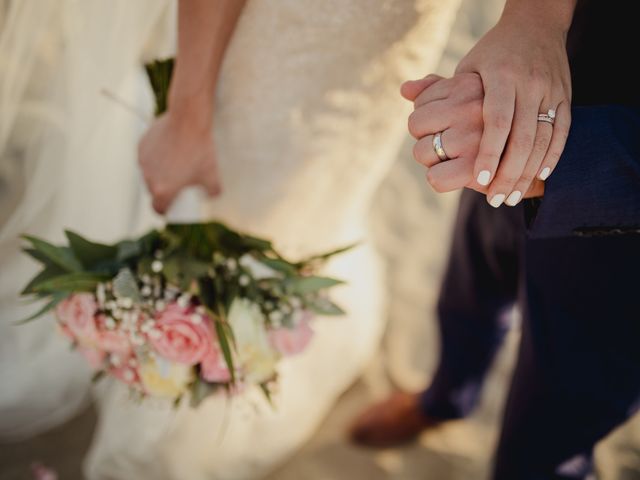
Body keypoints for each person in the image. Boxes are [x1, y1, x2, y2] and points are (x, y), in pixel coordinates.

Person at [83, 1, 465, 479]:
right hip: (281, 46)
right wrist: (187, 119)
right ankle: (191, 390)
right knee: (248, 213)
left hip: (397, 56)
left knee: (328, 198)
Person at [351, 0, 640, 478]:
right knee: (471, 281)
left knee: (548, 437)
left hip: (623, 246)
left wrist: (563, 161)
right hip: (535, 81)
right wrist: (534, 19)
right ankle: (447, 397)